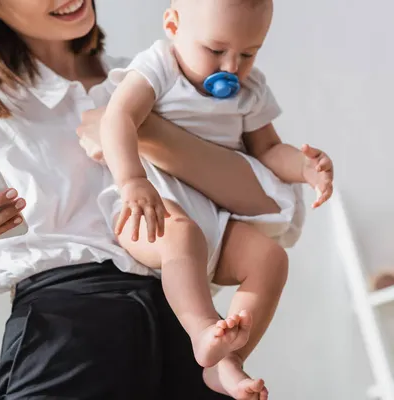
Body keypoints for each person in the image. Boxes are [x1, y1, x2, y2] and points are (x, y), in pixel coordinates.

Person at [0, 0, 297, 398]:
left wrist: (143, 131)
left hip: (188, 335)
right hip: (65, 339)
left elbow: (277, 208)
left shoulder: (169, 72)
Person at [94, 0, 334, 397]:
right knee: (182, 234)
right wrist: (132, 181)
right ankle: (202, 329)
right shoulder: (159, 66)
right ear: (173, 24)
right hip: (149, 211)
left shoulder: (250, 88)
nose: (230, 68)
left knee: (270, 259)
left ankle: (229, 363)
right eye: (215, 50)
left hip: (215, 220)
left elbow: (269, 150)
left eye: (248, 53)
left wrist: (308, 169)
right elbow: (117, 117)